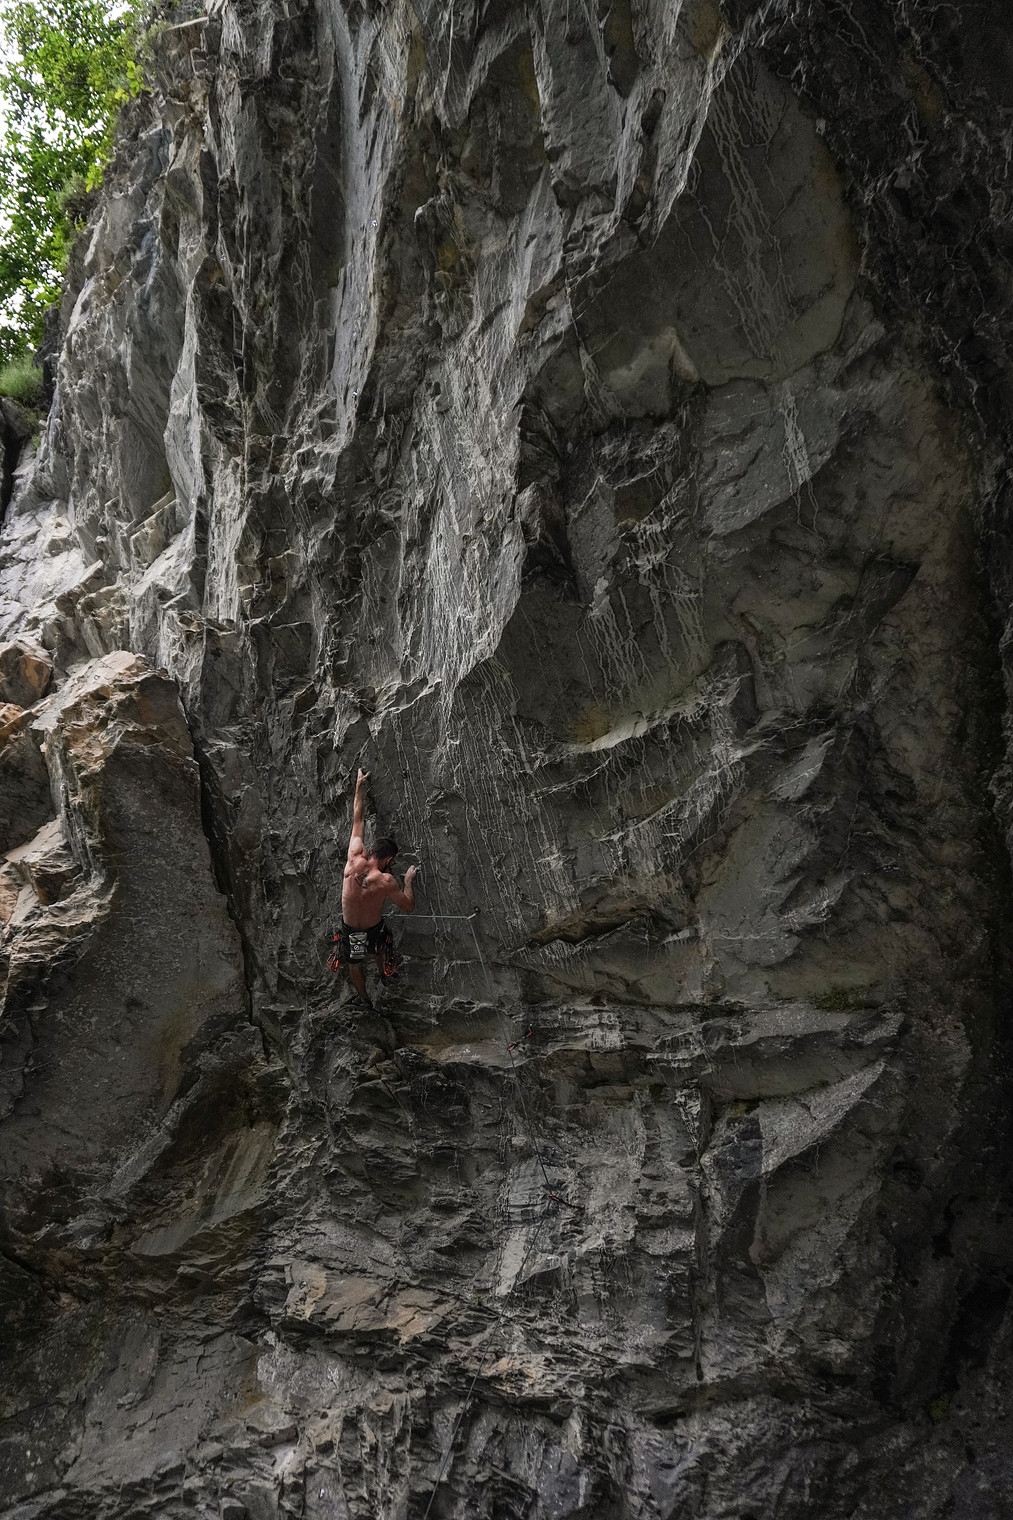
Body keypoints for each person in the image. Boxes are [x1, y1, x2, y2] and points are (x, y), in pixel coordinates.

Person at [334, 768, 418, 1009]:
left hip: (351, 929)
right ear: (389, 860)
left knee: (355, 965)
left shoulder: (354, 858)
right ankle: (384, 973)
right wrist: (408, 882)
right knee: (381, 941)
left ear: (371, 851)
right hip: (372, 931)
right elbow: (408, 906)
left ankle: (364, 1000)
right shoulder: (386, 881)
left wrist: (359, 785)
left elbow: (357, 818)